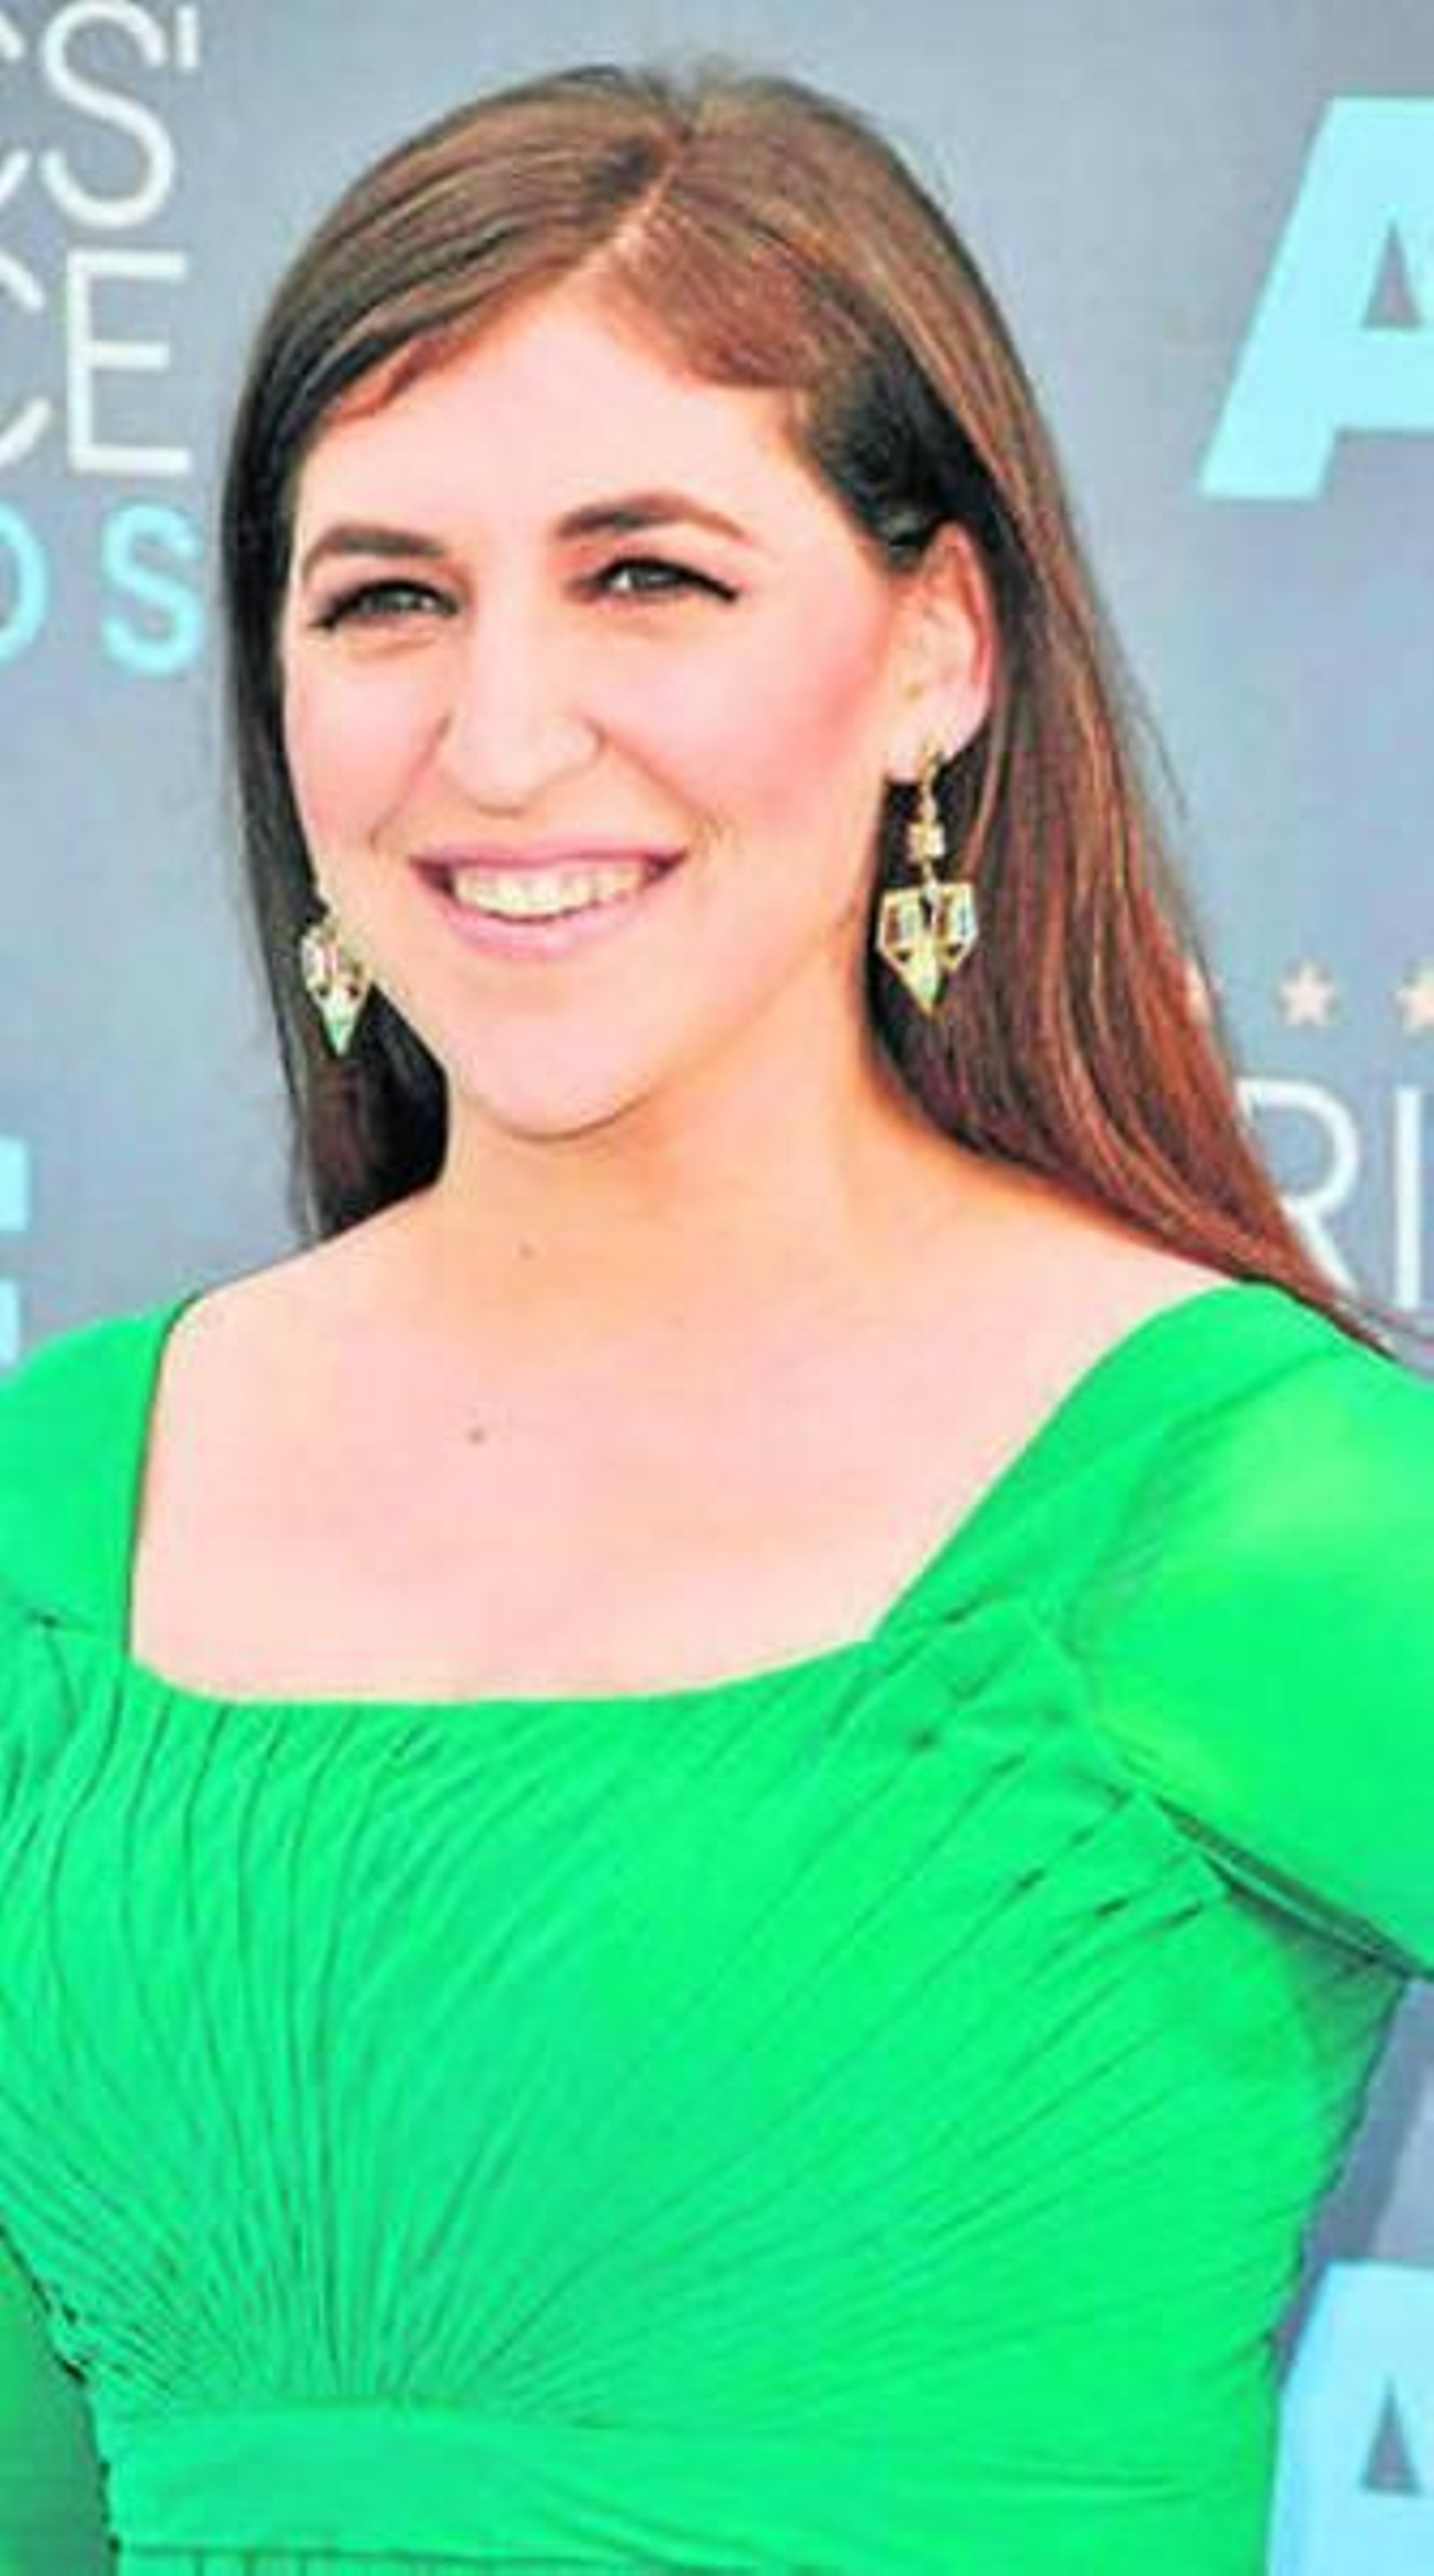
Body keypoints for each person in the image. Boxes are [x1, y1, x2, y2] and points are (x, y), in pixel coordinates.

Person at [0, 53, 1430, 2576]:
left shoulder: (1240, 1502)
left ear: (936, 652)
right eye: (388, 598)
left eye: (646, 575)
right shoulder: (60, 1507)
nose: (501, 736)